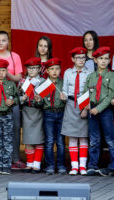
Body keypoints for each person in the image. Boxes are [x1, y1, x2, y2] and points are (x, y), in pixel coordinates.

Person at [0, 31, 25, 171]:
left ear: (8, 41)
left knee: (14, 127)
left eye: (4, 40)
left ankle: (14, 158)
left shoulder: (14, 56)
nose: (1, 43)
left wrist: (6, 72)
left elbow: (18, 78)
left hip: (10, 97)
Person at [83, 47, 114, 176]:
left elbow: (110, 95)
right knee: (94, 139)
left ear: (109, 60)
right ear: (95, 60)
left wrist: (98, 108)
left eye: (106, 58)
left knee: (110, 139)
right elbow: (86, 93)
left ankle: (112, 166)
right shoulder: (91, 76)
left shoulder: (111, 75)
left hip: (105, 110)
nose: (103, 61)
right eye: (100, 58)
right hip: (92, 110)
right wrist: (86, 106)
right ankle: (92, 165)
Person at [61, 47, 92, 175]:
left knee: (83, 137)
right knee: (73, 136)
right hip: (70, 104)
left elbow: (91, 91)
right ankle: (74, 166)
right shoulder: (68, 72)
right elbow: (64, 88)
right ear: (72, 59)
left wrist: (86, 108)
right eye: (78, 58)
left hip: (84, 104)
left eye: (83, 57)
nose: (81, 60)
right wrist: (63, 95)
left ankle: (83, 166)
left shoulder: (90, 73)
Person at [40, 58, 66, 175]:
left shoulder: (63, 83)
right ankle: (50, 165)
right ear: (47, 71)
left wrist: (64, 99)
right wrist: (38, 100)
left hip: (61, 113)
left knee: (60, 141)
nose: (54, 71)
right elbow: (40, 103)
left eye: (57, 69)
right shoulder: (44, 84)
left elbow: (69, 100)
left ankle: (61, 165)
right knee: (49, 140)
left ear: (60, 70)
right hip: (48, 113)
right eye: (51, 69)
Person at [20, 57, 45, 173]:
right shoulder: (23, 82)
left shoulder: (43, 82)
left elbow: (46, 100)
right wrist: (22, 98)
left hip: (38, 112)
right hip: (26, 111)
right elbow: (17, 98)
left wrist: (39, 100)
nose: (32, 70)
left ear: (39, 69)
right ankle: (29, 164)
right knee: (28, 138)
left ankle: (37, 164)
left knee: (38, 139)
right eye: (29, 68)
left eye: (34, 68)